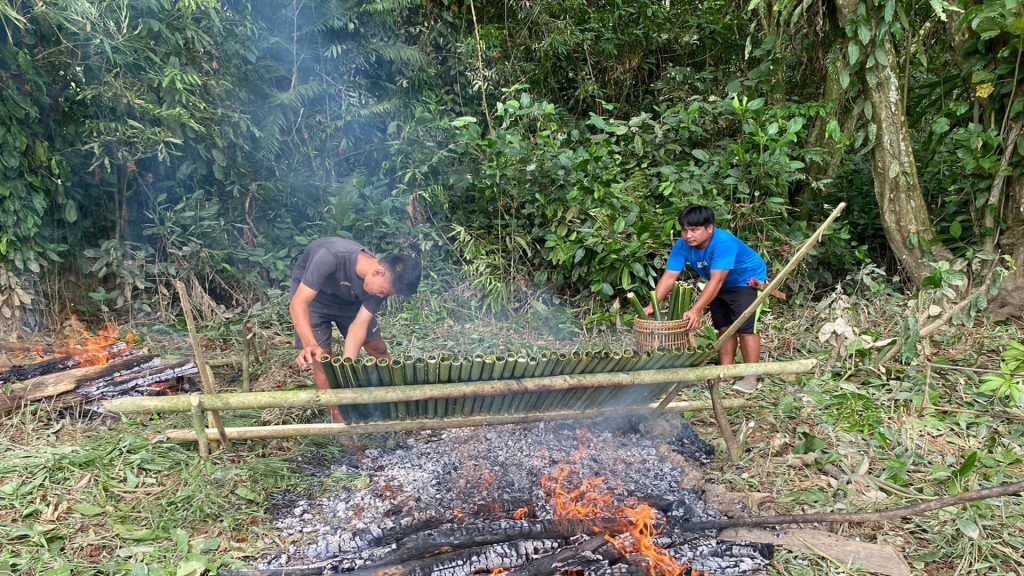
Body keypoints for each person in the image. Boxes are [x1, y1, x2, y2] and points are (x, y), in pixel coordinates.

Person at [290, 237, 421, 422]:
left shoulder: (379, 284)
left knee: (377, 347)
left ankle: (396, 399)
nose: (381, 296)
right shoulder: (330, 256)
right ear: (378, 272)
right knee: (323, 359)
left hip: (350, 301)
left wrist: (347, 366)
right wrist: (309, 343)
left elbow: (359, 325)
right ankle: (339, 420)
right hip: (314, 301)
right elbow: (299, 303)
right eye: (383, 292)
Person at [645, 206, 767, 393]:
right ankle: (725, 372)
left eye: (694, 230)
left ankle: (751, 377)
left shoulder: (723, 242)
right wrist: (652, 305)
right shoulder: (682, 245)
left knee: (745, 329)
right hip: (718, 282)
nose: (688, 235)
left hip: (746, 281)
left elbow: (717, 280)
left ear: (709, 228)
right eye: (684, 230)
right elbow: (670, 276)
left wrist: (696, 310)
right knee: (723, 326)